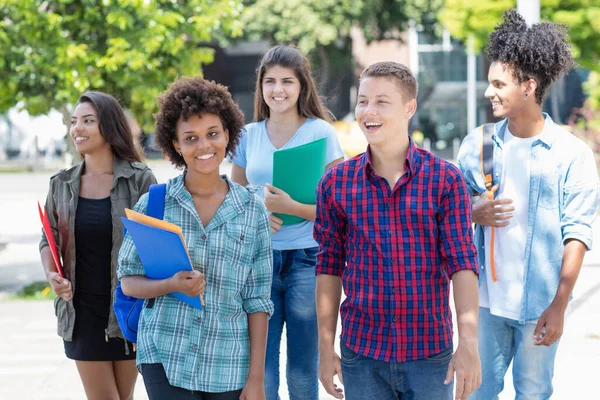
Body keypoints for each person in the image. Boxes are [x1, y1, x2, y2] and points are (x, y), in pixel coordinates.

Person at [315, 62, 482, 400]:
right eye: (363, 101)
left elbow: (462, 263)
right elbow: (328, 268)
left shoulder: (445, 180)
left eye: (381, 101)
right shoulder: (336, 184)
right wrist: (324, 345)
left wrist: (468, 342)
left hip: (429, 354)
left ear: (409, 108)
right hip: (361, 353)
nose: (368, 111)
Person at [457, 9, 600, 399]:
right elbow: (448, 212)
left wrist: (559, 304)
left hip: (539, 303)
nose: (489, 92)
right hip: (483, 304)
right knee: (473, 393)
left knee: (533, 393)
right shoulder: (479, 144)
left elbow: (578, 234)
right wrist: (473, 211)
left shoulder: (570, 153)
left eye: (499, 84)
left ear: (529, 86)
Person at [118, 76, 274, 400]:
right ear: (176, 144)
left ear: (228, 135)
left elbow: (257, 301)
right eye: (190, 138)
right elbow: (128, 282)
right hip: (165, 354)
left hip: (227, 363)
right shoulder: (154, 204)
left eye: (213, 134)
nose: (204, 146)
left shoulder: (252, 212)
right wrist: (171, 285)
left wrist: (256, 379)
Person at [231, 45, 344, 400]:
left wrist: (294, 206)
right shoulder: (246, 136)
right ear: (260, 87)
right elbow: (232, 198)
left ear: (301, 87)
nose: (278, 90)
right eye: (270, 81)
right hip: (259, 262)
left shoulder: (321, 133)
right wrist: (258, 211)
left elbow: (340, 207)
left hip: (307, 261)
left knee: (302, 372)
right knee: (261, 373)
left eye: (287, 82)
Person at [39, 91, 156, 400]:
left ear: (109, 126)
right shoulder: (61, 183)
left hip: (128, 308)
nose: (78, 128)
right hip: (82, 311)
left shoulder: (140, 180)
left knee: (124, 396)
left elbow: (156, 241)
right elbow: (47, 237)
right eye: (74, 121)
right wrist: (53, 275)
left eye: (88, 121)